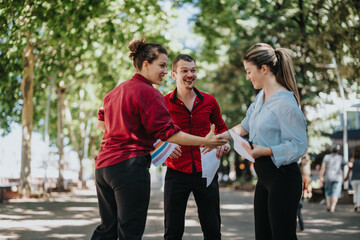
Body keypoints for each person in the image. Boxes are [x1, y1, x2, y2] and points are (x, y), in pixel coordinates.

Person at [92, 39, 226, 240]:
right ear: (146, 64)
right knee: (130, 231)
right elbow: (170, 134)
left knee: (107, 230)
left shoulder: (114, 92)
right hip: (129, 167)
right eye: (161, 65)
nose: (164, 71)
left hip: (104, 167)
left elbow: (102, 125)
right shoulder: (149, 92)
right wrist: (205, 142)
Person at [217, 43, 308, 240]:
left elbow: (299, 145)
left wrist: (266, 151)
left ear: (264, 69)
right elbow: (244, 126)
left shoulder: (286, 103)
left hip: (283, 178)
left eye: (249, 71)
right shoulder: (260, 98)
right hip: (264, 179)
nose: (247, 77)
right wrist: (219, 137)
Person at [163, 54, 231, 240]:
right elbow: (155, 133)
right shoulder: (163, 103)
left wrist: (223, 144)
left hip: (206, 172)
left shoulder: (209, 101)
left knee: (212, 230)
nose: (190, 74)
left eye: (193, 70)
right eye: (184, 70)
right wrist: (165, 145)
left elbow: (222, 128)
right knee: (172, 231)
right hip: (176, 172)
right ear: (173, 74)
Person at [319, 144, 346, 213]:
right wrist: (344, 178)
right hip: (337, 178)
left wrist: (321, 176)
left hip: (328, 177)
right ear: (338, 151)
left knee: (328, 192)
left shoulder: (326, 157)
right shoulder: (340, 157)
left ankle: (328, 206)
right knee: (335, 193)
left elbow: (323, 168)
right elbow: (344, 167)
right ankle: (332, 207)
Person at [344, 146, 360, 212]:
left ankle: (356, 204)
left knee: (355, 192)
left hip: (353, 179)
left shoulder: (352, 161)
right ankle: (359, 205)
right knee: (359, 193)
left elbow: (349, 171)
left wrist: (346, 177)